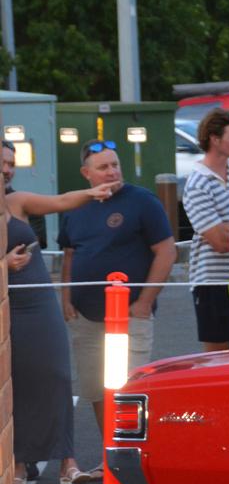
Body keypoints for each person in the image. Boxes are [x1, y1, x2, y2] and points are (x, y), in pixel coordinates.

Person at [59, 139, 176, 452]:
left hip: (129, 314)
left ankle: (133, 456)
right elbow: (69, 254)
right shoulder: (75, 206)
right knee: (97, 389)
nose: (112, 172)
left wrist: (145, 302)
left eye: (115, 165)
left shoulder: (142, 201)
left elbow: (166, 251)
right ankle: (111, 455)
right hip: (86, 314)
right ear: (87, 173)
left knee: (128, 387)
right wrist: (66, 297)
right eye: (103, 168)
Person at [6, 173, 111, 484]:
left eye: (9, 164)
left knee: (57, 375)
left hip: (38, 301)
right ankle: (19, 463)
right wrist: (4, 264)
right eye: (1, 164)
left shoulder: (16, 201)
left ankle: (68, 461)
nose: (6, 170)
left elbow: (62, 201)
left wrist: (92, 193)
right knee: (16, 380)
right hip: (6, 305)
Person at [183, 107, 229, 351]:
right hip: (211, 281)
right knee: (217, 353)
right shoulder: (197, 183)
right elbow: (219, 242)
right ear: (214, 139)